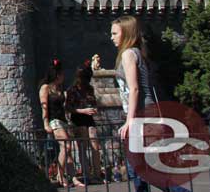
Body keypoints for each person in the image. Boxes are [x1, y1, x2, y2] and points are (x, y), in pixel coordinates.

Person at [111, 15, 190, 192]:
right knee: (141, 170)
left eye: (115, 33)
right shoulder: (138, 52)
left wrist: (130, 120)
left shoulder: (129, 54)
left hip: (143, 117)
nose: (112, 37)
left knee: (142, 170)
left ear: (126, 33)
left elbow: (135, 89)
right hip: (147, 115)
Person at [39, 59, 82, 187]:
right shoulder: (45, 88)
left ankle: (73, 178)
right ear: (57, 75)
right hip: (54, 120)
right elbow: (44, 106)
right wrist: (46, 123)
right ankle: (60, 174)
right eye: (62, 74)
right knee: (66, 146)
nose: (64, 76)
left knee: (67, 150)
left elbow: (64, 106)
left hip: (62, 120)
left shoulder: (59, 88)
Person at [66, 60, 102, 183]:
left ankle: (97, 175)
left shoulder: (89, 89)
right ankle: (88, 175)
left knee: (95, 145)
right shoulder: (72, 90)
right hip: (78, 119)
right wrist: (83, 111)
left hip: (89, 119)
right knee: (83, 147)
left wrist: (94, 109)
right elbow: (69, 108)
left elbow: (94, 102)